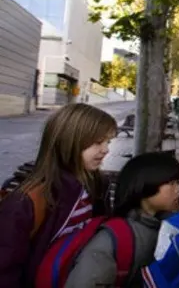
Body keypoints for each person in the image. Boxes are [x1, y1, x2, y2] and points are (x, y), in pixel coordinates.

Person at [0, 103, 117, 287]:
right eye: (98, 142)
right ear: (69, 141)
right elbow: (6, 268)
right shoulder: (27, 201)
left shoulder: (97, 185)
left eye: (108, 142)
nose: (106, 149)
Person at [64, 151, 179, 287]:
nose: (178, 190)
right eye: (172, 183)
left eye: (178, 182)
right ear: (145, 184)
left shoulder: (173, 227)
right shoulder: (111, 240)